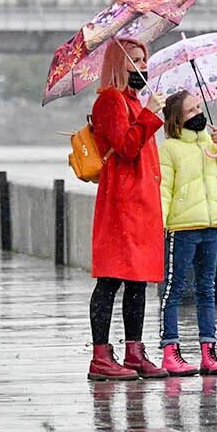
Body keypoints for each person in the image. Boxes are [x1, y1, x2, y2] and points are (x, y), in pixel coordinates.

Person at [86, 37, 170, 381]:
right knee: (111, 280)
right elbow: (126, 147)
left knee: (138, 282)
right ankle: (101, 357)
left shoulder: (134, 101)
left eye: (143, 60)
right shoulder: (110, 100)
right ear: (117, 65)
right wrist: (151, 114)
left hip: (143, 203)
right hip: (121, 204)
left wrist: (147, 110)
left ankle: (135, 352)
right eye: (133, 60)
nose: (141, 66)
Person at [157, 90, 217, 376]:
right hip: (182, 229)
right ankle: (170, 350)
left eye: (198, 108)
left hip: (212, 225)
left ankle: (209, 352)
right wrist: (160, 223)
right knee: (174, 289)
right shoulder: (169, 149)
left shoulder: (209, 144)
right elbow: (163, 189)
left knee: (207, 289)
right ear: (177, 120)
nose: (198, 114)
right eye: (190, 111)